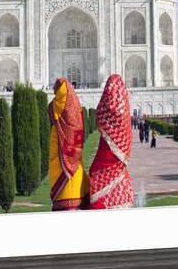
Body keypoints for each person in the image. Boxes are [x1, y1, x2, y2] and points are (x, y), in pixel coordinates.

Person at [89, 74, 134, 209]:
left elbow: (100, 114)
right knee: (118, 175)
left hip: (104, 160)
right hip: (119, 168)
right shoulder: (124, 109)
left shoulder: (104, 109)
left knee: (96, 175)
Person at [48, 77, 90, 211]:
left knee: (65, 181)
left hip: (62, 156)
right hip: (75, 157)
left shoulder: (56, 105)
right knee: (75, 175)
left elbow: (50, 111)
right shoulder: (76, 109)